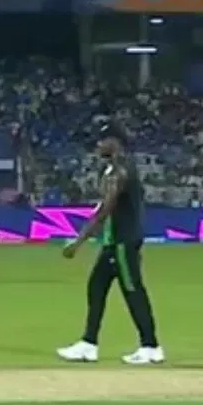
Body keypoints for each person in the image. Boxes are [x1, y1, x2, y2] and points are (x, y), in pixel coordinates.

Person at [56, 121, 164, 365]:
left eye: (102, 140)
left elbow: (105, 209)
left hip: (123, 241)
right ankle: (88, 344)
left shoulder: (119, 172)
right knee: (96, 286)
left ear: (114, 142)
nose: (98, 145)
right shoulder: (115, 169)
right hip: (114, 241)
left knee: (133, 290)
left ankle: (151, 346)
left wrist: (78, 242)